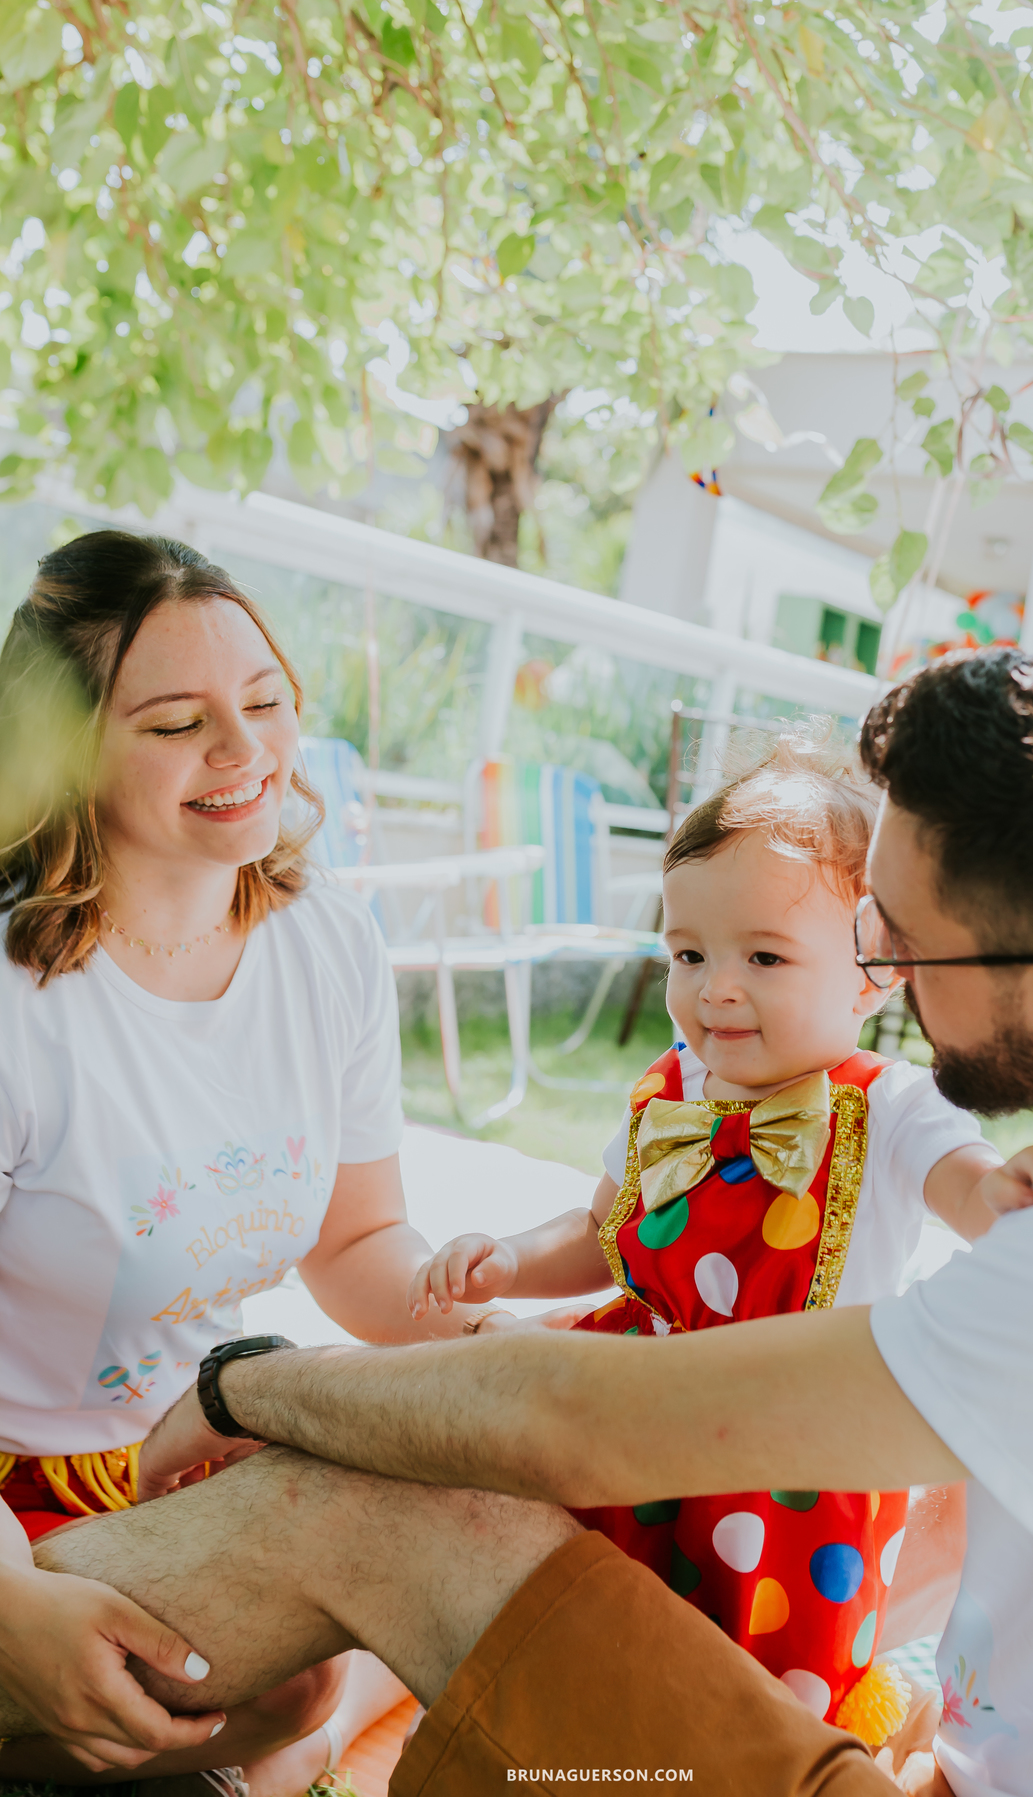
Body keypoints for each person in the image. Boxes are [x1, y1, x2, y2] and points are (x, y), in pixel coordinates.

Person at [5, 641, 1033, 1797]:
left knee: (369, 1504)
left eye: (899, 941)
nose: (878, 964)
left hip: (786, 1604)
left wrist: (242, 1388)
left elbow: (567, 1421)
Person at [407, 733, 1033, 1748]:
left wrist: (1026, 1190)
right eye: (688, 953)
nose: (715, 989)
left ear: (877, 974)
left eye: (764, 957)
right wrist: (511, 1260)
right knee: (598, 1627)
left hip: (791, 1472)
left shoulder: (894, 1109)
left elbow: (974, 1195)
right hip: (634, 1418)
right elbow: (602, 1230)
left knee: (754, 1698)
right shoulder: (670, 1085)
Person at [0, 531, 505, 1794]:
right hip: (15, 1503)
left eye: (266, 702)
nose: (245, 752)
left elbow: (353, 1245)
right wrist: (8, 1609)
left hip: (196, 1447)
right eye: (178, 723)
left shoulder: (325, 939)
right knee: (261, 1673)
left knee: (439, 1541)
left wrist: (500, 1346)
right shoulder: (18, 1005)